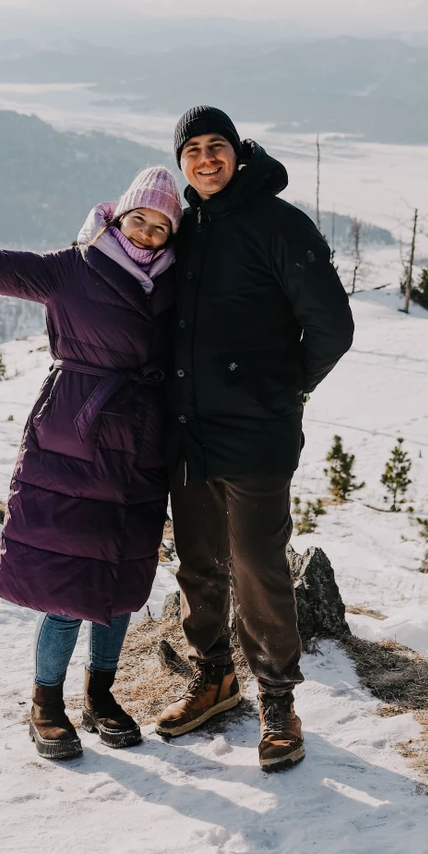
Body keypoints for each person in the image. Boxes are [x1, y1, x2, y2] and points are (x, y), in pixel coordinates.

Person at [0, 156, 181, 762]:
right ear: (117, 217)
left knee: (121, 584)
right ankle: (46, 704)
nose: (149, 234)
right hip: (77, 439)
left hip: (141, 449)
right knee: (68, 590)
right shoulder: (72, 269)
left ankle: (100, 697)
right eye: (140, 220)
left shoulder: (177, 282)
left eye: (162, 227)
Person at [155, 106, 354, 773]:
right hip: (189, 431)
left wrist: (283, 390)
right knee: (197, 562)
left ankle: (277, 699)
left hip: (257, 435)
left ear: (238, 152)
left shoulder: (279, 224)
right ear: (181, 162)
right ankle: (213, 677)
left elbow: (332, 327)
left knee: (257, 567)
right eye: (192, 150)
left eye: (217, 145)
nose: (205, 158)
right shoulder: (186, 228)